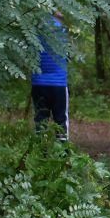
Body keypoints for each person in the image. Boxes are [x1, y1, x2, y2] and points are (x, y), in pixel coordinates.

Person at [31, 12, 69, 140]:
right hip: (58, 84)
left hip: (38, 83)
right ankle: (63, 148)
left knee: (41, 120)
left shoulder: (36, 29)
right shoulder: (62, 31)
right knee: (61, 119)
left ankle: (40, 149)